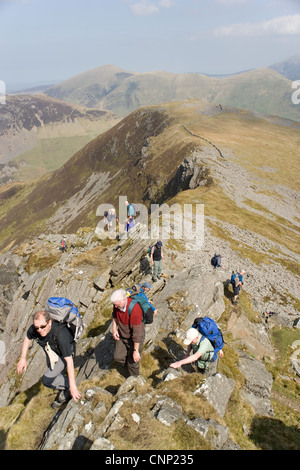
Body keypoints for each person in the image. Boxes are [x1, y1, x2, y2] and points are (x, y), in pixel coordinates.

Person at [17, 310, 81, 408]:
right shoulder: (36, 327)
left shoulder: (60, 334)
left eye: (42, 327)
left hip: (65, 353)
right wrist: (23, 358)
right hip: (52, 351)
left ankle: (68, 386)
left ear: (50, 322)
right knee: (55, 373)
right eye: (37, 328)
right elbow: (27, 338)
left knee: (47, 379)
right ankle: (64, 387)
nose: (39, 330)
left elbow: (69, 360)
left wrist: (73, 387)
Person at [111, 289, 145, 377]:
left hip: (134, 337)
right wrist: (114, 329)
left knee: (133, 361)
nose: (116, 307)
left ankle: (135, 380)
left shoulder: (135, 310)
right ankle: (127, 366)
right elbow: (114, 316)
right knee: (118, 357)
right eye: (115, 305)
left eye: (117, 305)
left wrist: (136, 350)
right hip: (122, 335)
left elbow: (137, 334)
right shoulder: (116, 304)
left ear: (124, 300)